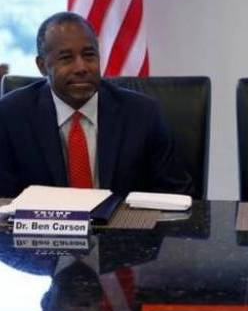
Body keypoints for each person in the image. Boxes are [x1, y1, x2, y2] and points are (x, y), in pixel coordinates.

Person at [0, 12, 193, 198]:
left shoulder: (143, 114)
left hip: (126, 229)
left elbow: (177, 196)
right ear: (42, 66)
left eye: (89, 55)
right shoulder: (11, 115)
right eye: (66, 58)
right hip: (41, 231)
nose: (81, 67)